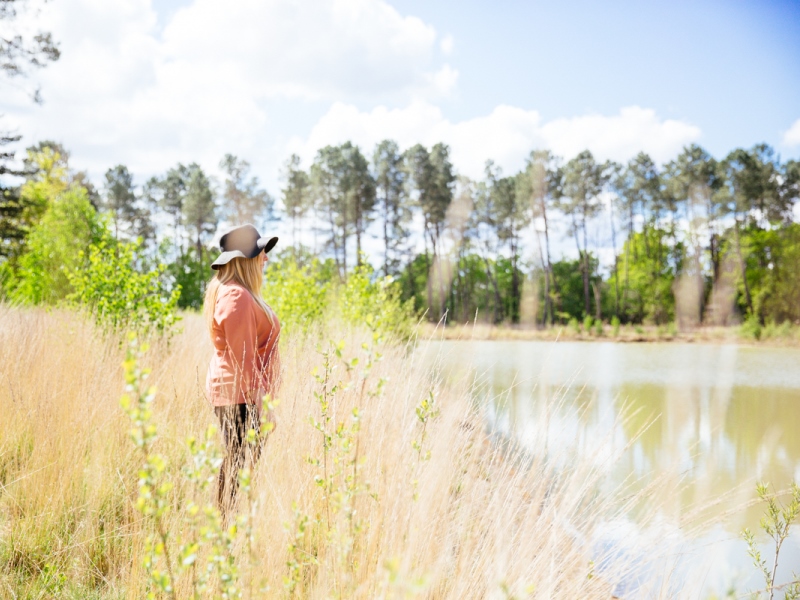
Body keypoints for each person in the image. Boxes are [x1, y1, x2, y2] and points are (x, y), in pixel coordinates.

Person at [203, 224, 281, 516]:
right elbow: (242, 359)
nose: (266, 258)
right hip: (240, 396)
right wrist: (263, 404)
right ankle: (226, 526)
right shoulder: (237, 297)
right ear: (245, 258)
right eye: (261, 252)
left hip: (240, 394)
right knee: (237, 460)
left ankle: (233, 523)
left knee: (238, 460)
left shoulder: (238, 293)